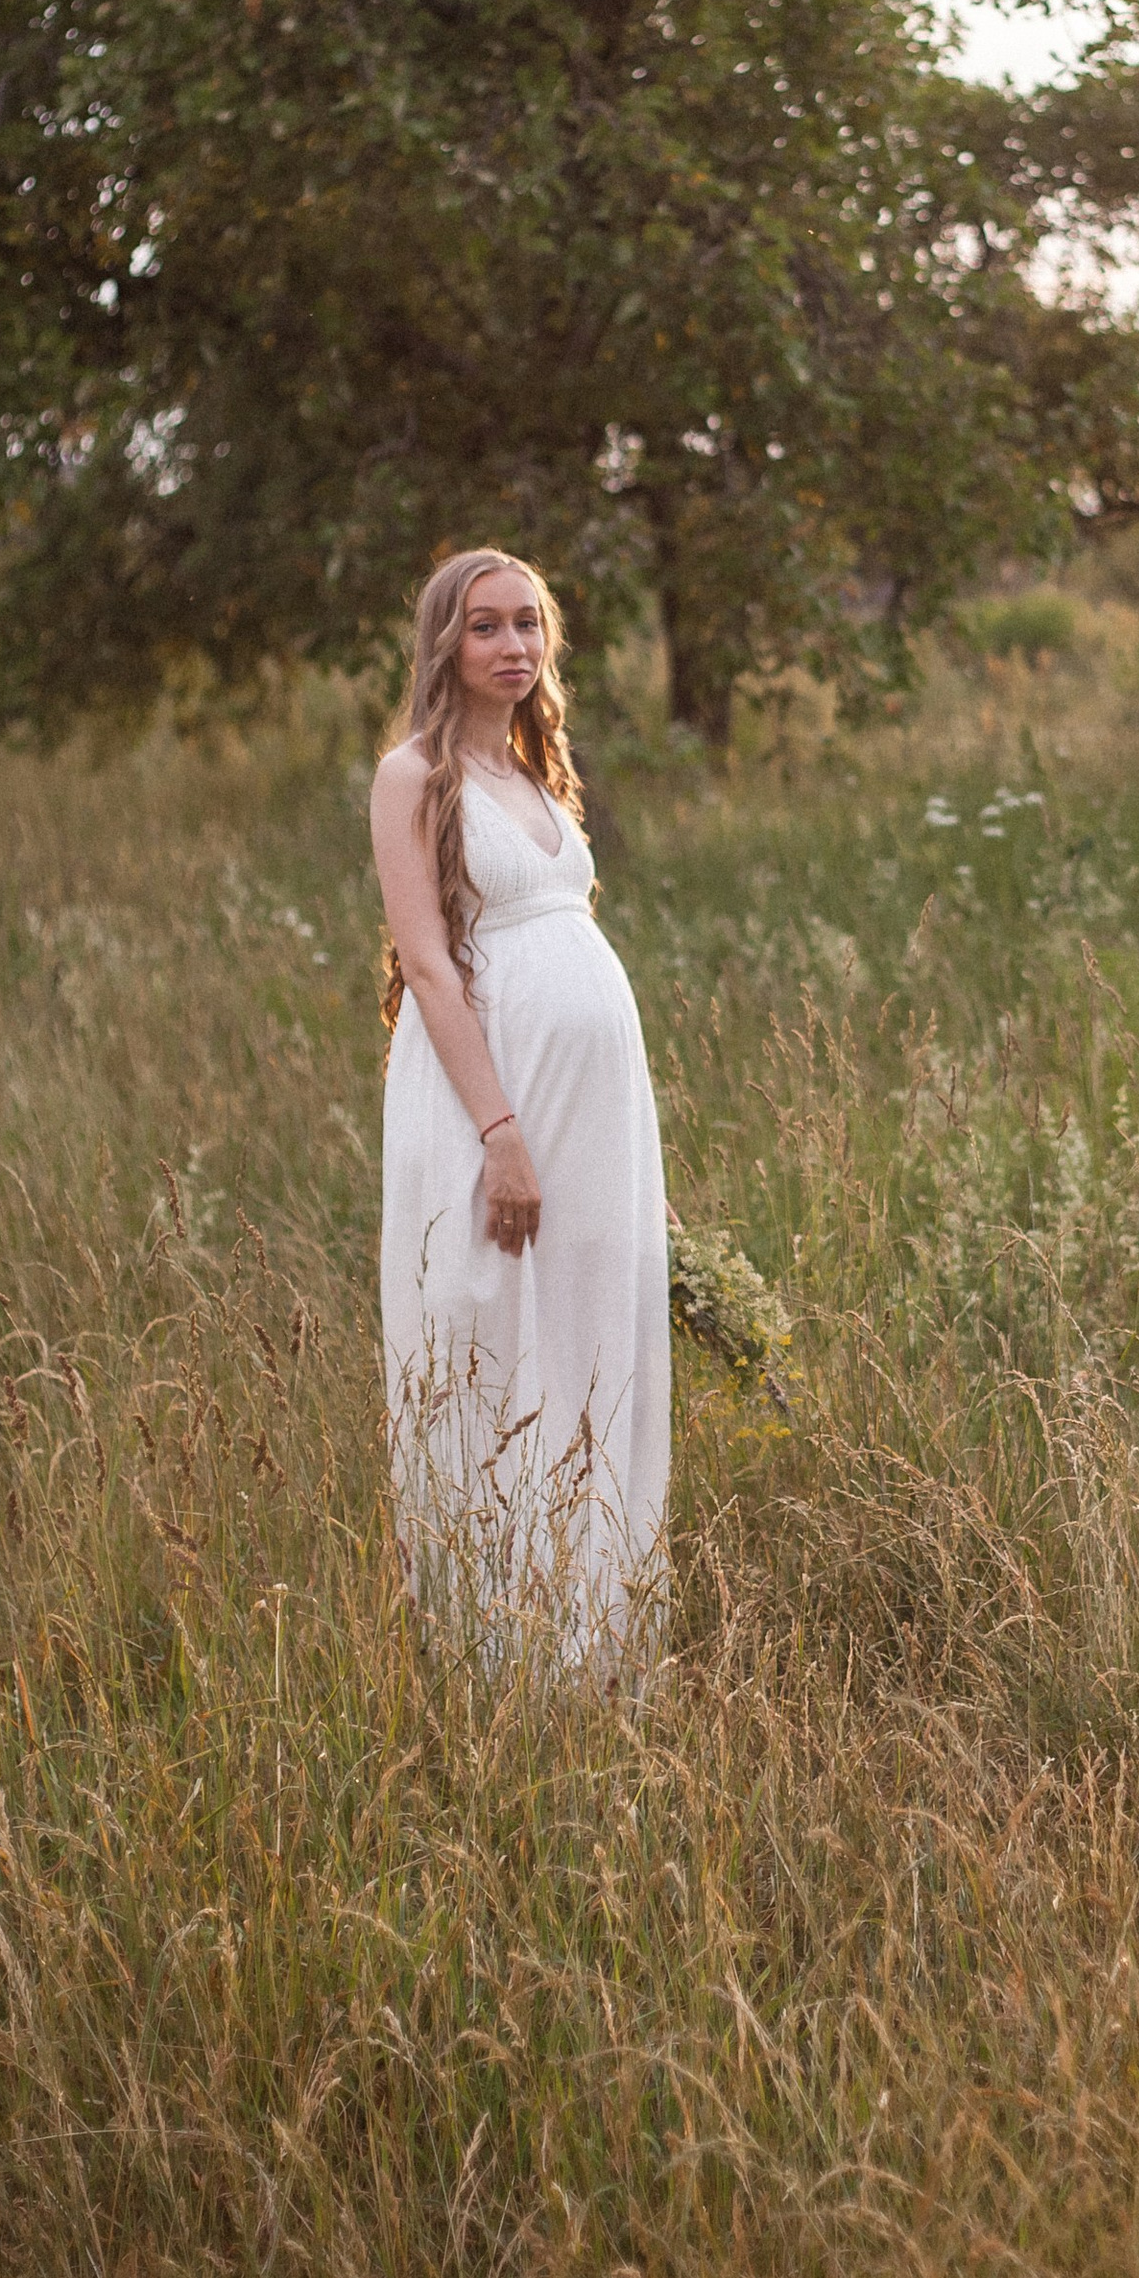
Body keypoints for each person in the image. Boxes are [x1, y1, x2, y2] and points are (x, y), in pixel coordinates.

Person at [371, 548, 670, 1663]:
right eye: (486, 627)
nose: (513, 648)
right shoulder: (413, 776)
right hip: (491, 1107)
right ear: (444, 642)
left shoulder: (538, 772)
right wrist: (501, 1136)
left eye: (529, 626)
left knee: (593, 1334)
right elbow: (433, 969)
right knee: (488, 1332)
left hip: (592, 1117)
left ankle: (597, 1631)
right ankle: (499, 1649)